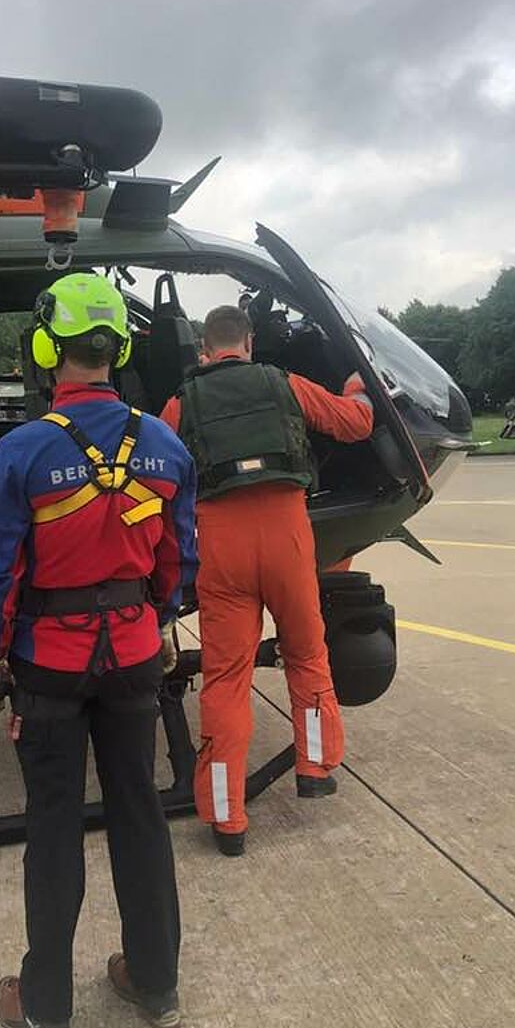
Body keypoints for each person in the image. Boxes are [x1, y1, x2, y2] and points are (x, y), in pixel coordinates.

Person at [0, 273, 198, 1028]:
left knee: (54, 825)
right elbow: (178, 554)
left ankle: (46, 1009)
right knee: (140, 814)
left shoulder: (22, 449)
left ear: (46, 348)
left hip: (50, 665)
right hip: (134, 655)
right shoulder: (163, 443)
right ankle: (157, 984)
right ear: (119, 350)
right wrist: (161, 619)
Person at [161, 304, 373, 856]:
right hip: (287, 536)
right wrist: (359, 386)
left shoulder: (182, 402)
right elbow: (356, 424)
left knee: (226, 679)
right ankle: (315, 767)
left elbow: (156, 470)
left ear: (205, 350)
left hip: (221, 545)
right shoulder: (286, 384)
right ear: (250, 343)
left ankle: (227, 818)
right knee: (307, 653)